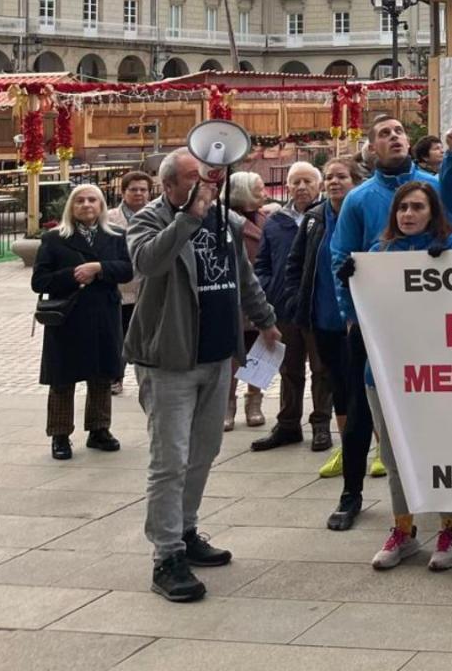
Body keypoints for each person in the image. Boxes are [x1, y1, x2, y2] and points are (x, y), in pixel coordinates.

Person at [126, 148, 280, 602]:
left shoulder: (222, 219)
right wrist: (187, 220)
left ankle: (186, 529)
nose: (203, 187)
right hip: (170, 358)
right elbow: (147, 263)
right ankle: (166, 555)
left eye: (206, 180)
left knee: (204, 451)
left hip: (217, 356)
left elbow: (243, 274)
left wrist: (265, 317)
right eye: (193, 179)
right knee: (169, 459)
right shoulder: (150, 219)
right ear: (169, 185)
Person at [340, 182, 452, 573]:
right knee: (393, 455)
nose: (408, 215)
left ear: (433, 212)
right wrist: (350, 281)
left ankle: (450, 529)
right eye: (402, 208)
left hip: (438, 373)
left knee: (441, 449)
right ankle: (403, 529)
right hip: (384, 372)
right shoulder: (378, 254)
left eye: (417, 207)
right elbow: (363, 314)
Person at [328, 117, 434, 502]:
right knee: (361, 410)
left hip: (427, 326)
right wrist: (353, 317)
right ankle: (352, 493)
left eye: (399, 131)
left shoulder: (434, 187)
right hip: (374, 326)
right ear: (372, 148)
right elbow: (341, 258)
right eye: (385, 134)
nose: (394, 137)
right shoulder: (358, 199)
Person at [280, 156, 367, 527]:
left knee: (365, 396)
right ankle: (351, 477)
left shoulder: (362, 212)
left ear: (356, 181)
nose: (334, 182)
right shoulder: (315, 218)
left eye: (341, 176)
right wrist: (297, 301)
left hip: (360, 323)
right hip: (323, 320)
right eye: (329, 177)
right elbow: (295, 262)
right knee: (339, 389)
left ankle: (373, 454)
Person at [34, 183, 133, 460]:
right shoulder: (54, 239)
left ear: (101, 206)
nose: (86, 205)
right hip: (68, 317)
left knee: (102, 375)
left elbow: (127, 270)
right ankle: (60, 434)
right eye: (80, 201)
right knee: (62, 378)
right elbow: (39, 281)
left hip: (103, 314)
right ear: (71, 207)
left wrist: (100, 269)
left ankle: (99, 430)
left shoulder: (116, 236)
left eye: (92, 200)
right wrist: (74, 274)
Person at [252, 162, 333, 452]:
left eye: (307, 181)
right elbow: (262, 262)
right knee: (289, 367)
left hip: (316, 305)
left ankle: (321, 424)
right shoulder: (276, 221)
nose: (301, 187)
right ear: (287, 187)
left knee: (322, 369)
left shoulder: (327, 216)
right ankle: (288, 424)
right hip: (284, 306)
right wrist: (267, 286)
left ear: (319, 186)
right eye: (295, 182)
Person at [223, 172, 275, 432]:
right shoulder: (226, 221)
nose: (264, 192)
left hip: (263, 293)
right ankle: (227, 403)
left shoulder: (268, 219)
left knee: (262, 348)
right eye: (258, 188)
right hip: (235, 294)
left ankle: (254, 400)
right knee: (233, 350)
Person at [104, 169, 153, 395]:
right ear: (123, 192)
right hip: (121, 287)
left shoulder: (158, 215)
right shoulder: (109, 217)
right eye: (133, 190)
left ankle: (149, 378)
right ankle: (115, 376)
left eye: (143, 190)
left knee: (147, 334)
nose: (139, 194)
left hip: (148, 285)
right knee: (118, 334)